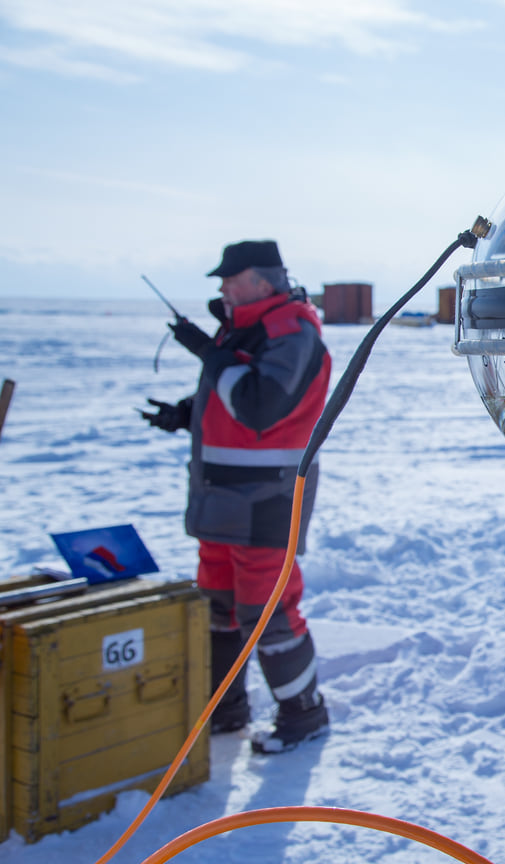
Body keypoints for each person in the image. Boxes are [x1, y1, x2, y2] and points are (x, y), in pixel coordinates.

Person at [142, 239, 332, 755]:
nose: (222, 288)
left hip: (266, 499)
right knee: (218, 604)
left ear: (264, 281)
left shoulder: (291, 331)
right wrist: (184, 413)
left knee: (267, 609)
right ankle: (225, 710)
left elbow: (259, 404)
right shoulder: (246, 330)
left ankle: (304, 713)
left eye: (232, 279)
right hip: (221, 498)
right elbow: (231, 392)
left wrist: (208, 351)